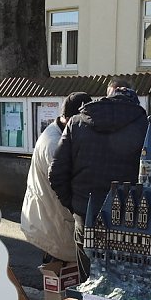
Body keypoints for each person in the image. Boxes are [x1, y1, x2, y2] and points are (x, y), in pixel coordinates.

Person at [49, 77, 151, 300]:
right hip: (131, 224)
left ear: (108, 96)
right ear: (132, 98)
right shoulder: (145, 126)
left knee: (93, 288)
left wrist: (74, 205)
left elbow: (57, 173)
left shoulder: (77, 123)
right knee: (131, 286)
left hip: (87, 222)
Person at [21, 92, 92, 263]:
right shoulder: (54, 145)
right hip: (51, 223)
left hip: (48, 218)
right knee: (57, 275)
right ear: (69, 120)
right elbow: (65, 185)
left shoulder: (59, 133)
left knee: (61, 273)